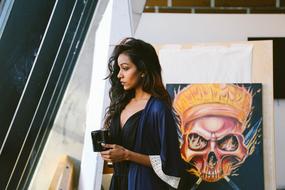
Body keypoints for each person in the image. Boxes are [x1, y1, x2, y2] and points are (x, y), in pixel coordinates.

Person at [100, 37, 183, 190]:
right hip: (118, 184)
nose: (119, 75)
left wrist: (127, 155)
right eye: (118, 69)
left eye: (125, 68)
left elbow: (170, 164)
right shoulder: (121, 105)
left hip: (145, 184)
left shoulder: (158, 109)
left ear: (143, 70)